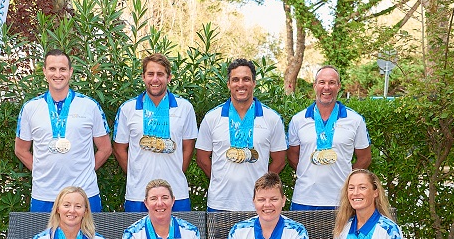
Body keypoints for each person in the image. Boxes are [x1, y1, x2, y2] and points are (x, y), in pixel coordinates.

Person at [15, 49, 112, 212]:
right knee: (45, 238)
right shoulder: (30, 108)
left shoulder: (90, 106)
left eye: (62, 69)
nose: (57, 74)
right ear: (44, 72)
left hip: (84, 193)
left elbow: (105, 148)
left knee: (89, 238)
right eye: (52, 69)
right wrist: (41, 172)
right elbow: (20, 150)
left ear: (70, 72)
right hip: (45, 195)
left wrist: (85, 172)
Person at [195, 58, 287, 211]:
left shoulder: (272, 118)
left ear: (254, 83)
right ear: (228, 84)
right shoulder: (212, 117)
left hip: (258, 203)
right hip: (220, 203)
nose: (241, 84)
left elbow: (279, 161)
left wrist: (262, 187)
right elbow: (202, 158)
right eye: (235, 79)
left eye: (246, 79)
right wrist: (220, 180)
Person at [113, 53, 198, 211]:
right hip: (138, 193)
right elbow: (119, 149)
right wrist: (135, 172)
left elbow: (188, 147)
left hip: (176, 193)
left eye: (160, 74)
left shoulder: (185, 108)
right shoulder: (128, 109)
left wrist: (175, 171)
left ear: (169, 77)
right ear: (143, 77)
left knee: (178, 236)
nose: (155, 79)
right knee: (138, 236)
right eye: (150, 74)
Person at [287, 65, 372, 210]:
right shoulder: (298, 120)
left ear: (338, 86)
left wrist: (347, 179)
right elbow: (292, 156)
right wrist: (308, 172)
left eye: (332, 83)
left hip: (340, 200)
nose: (326, 87)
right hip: (304, 198)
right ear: (314, 86)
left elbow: (365, 158)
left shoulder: (355, 120)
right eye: (322, 82)